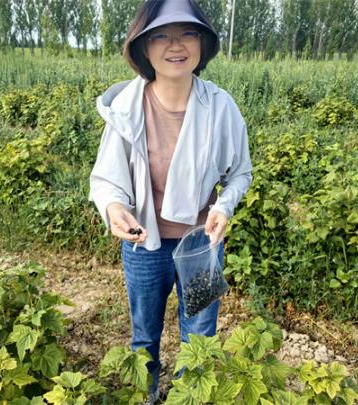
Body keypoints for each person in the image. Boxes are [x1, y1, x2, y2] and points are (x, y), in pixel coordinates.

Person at [89, 0, 252, 402]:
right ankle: (146, 395)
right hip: (145, 245)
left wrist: (223, 207)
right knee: (144, 334)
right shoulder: (127, 108)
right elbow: (107, 180)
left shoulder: (221, 107)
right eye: (161, 34)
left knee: (199, 336)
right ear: (144, 47)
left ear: (202, 43)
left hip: (201, 245)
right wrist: (114, 208)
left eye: (187, 33)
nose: (175, 44)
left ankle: (187, 396)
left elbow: (240, 173)